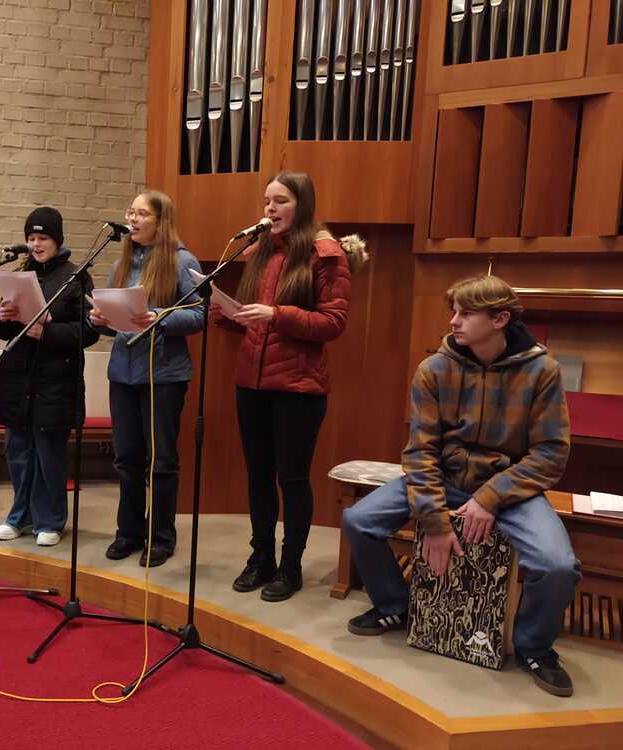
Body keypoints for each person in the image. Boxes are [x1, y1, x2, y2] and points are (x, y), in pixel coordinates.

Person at [342, 274, 580, 698]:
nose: (453, 322)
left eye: (466, 314)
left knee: (557, 565)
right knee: (360, 520)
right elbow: (420, 451)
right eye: (453, 312)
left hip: (509, 487)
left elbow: (550, 454)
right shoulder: (434, 369)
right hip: (446, 478)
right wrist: (434, 521)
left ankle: (534, 647)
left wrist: (490, 498)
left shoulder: (542, 371)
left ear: (500, 319)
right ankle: (396, 605)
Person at [211, 172, 365, 602]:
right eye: (267, 201)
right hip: (252, 384)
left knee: (292, 479)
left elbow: (333, 323)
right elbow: (256, 321)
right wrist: (227, 313)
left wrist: (277, 315)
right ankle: (260, 556)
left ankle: (290, 566)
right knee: (258, 476)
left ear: (303, 205)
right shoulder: (260, 251)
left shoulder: (326, 254)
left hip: (298, 387)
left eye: (280, 200)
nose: (270, 208)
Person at [89, 190, 204, 568]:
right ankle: (129, 532)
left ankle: (161, 537)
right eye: (130, 212)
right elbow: (113, 321)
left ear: (160, 221)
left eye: (141, 214)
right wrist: (99, 320)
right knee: (126, 459)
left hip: (163, 375)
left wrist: (160, 317)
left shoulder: (182, 261)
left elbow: (200, 314)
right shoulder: (122, 263)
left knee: (161, 461)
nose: (133, 219)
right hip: (123, 373)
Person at [0, 207, 98, 547]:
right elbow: (0, 330)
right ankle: (20, 516)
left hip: (55, 379)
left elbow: (89, 330)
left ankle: (50, 519)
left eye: (43, 238)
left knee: (48, 453)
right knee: (18, 452)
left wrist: (47, 332)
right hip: (18, 377)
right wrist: (1, 315)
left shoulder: (75, 277)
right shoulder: (21, 273)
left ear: (57, 240)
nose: (36, 244)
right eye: (31, 238)